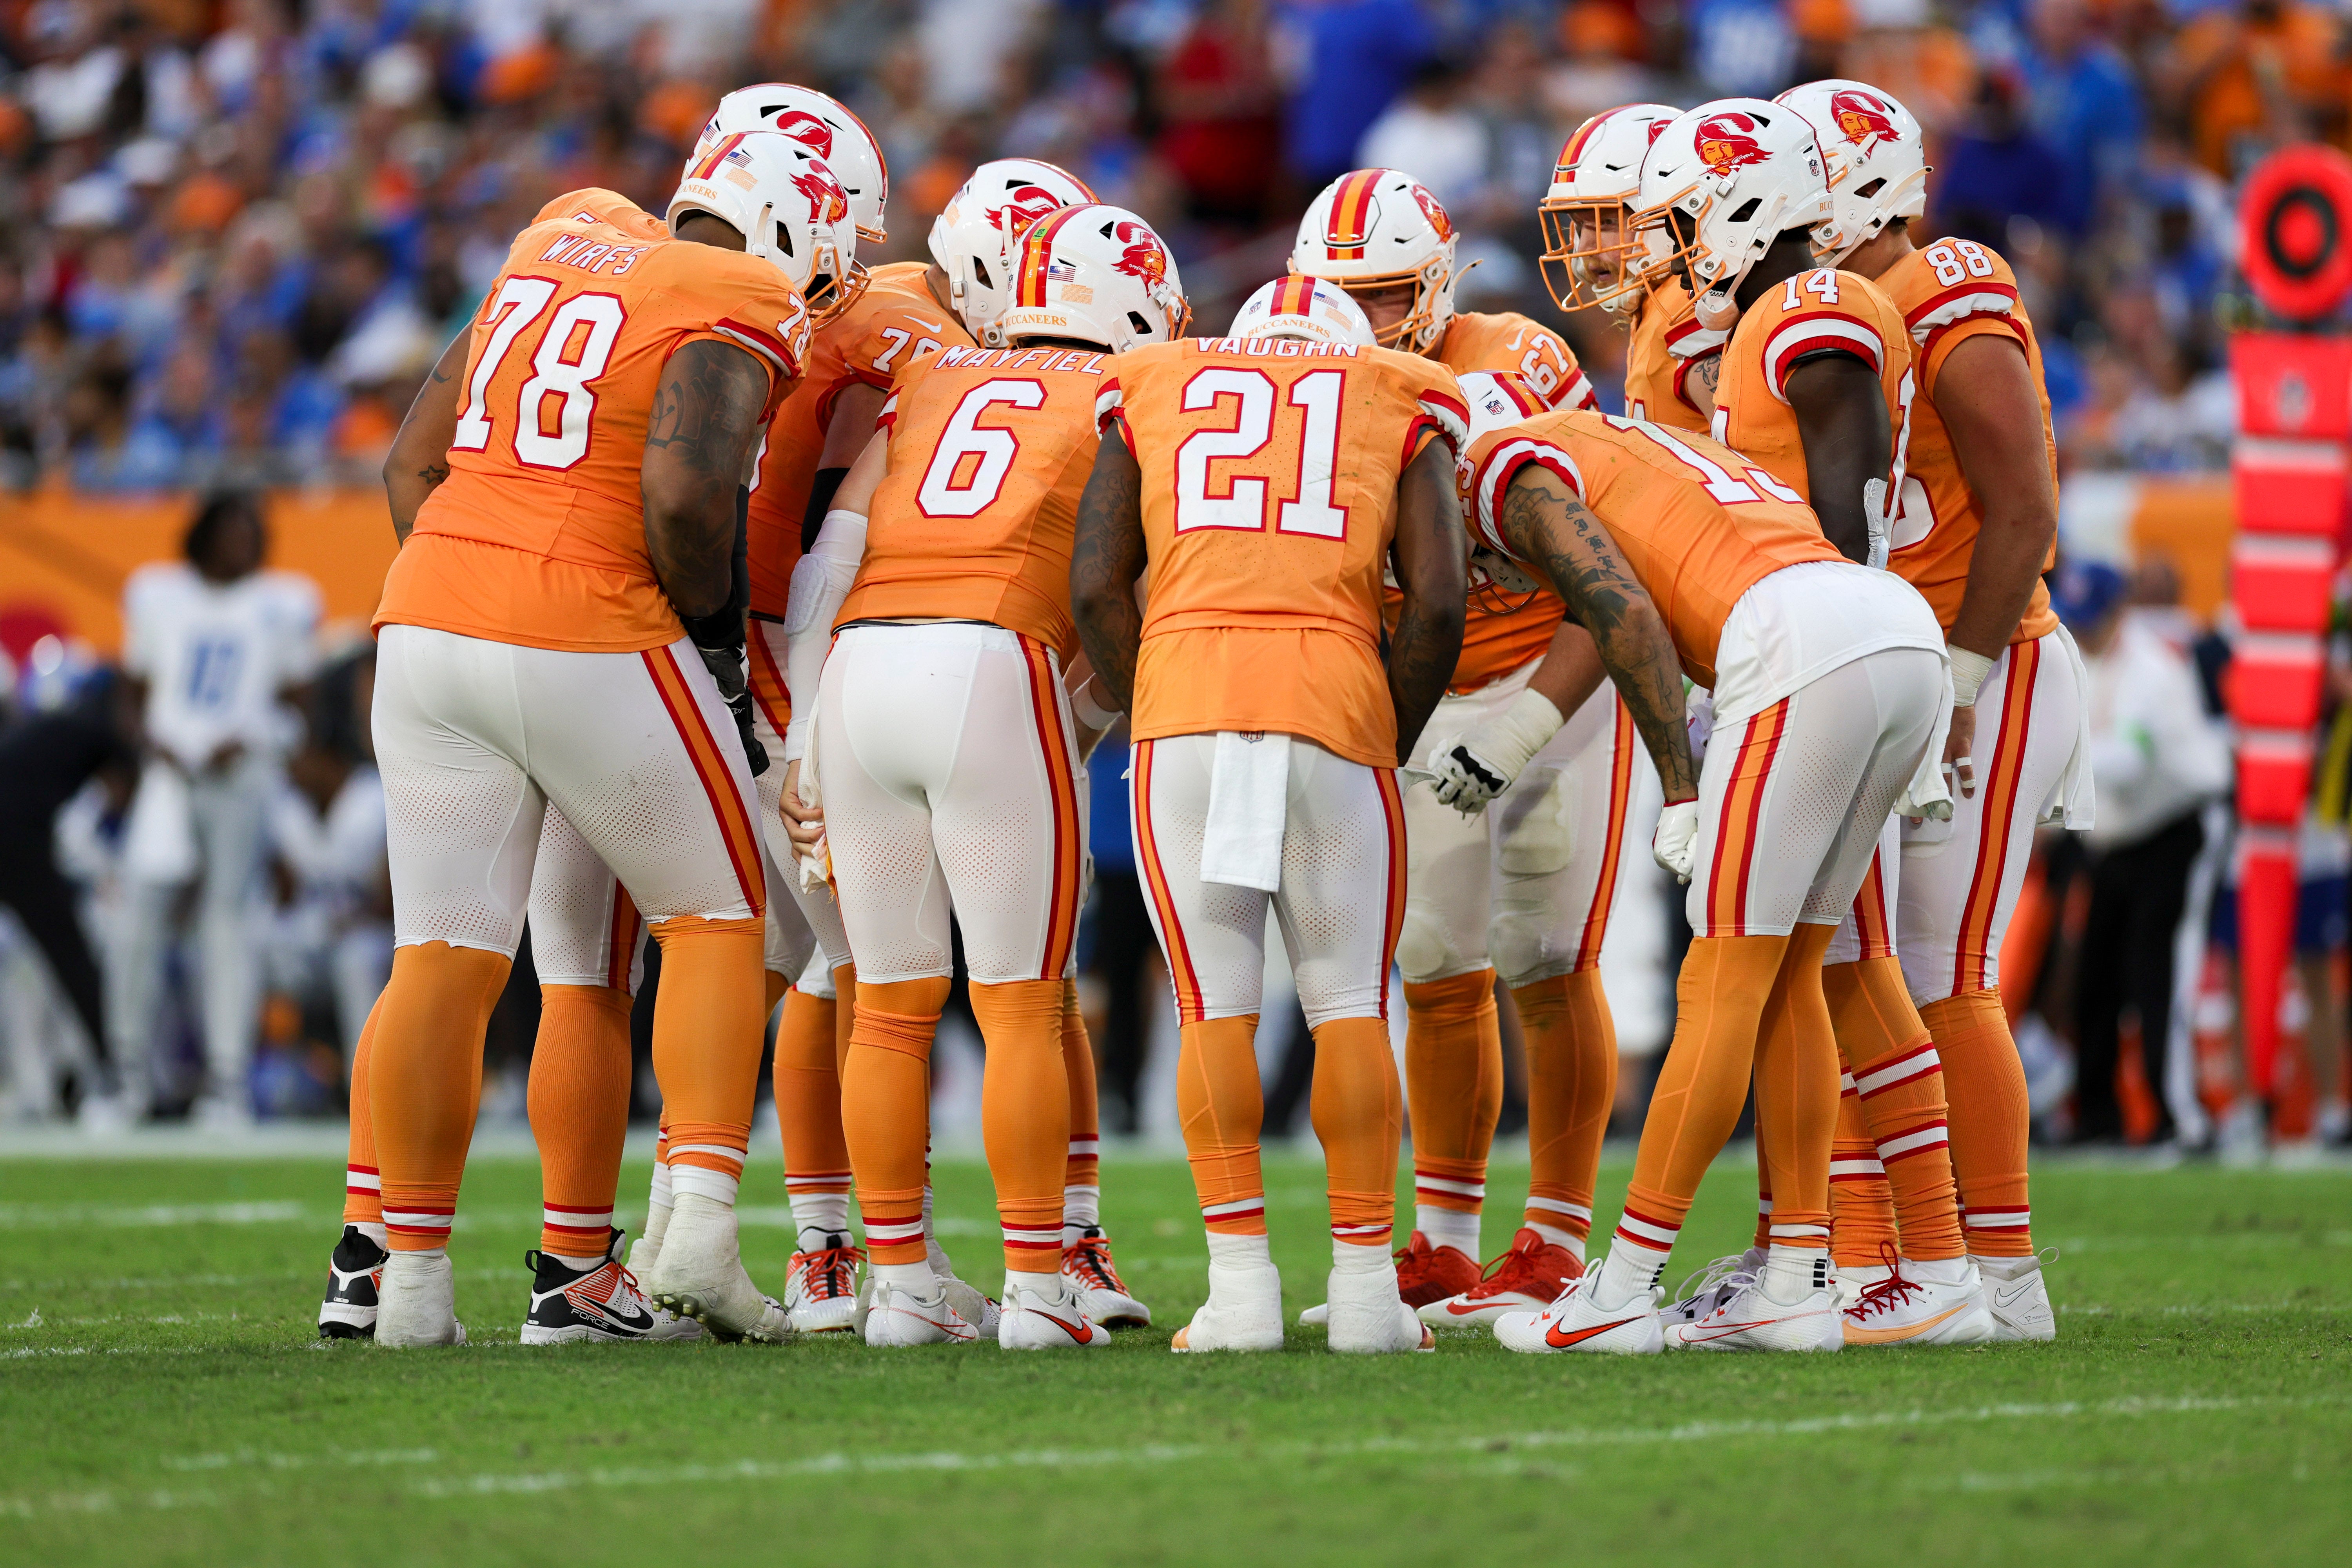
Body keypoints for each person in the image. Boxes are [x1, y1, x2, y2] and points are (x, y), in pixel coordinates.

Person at [357, 134, 853, 1347]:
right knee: (719, 918)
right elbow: (687, 504)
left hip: (424, 609)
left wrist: (479, 584)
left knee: (441, 958)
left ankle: (403, 1285)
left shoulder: (555, 238)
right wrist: (717, 652)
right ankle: (696, 1240)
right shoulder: (739, 290)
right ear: (796, 230)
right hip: (580, 615)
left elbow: (409, 461)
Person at [1460, 405, 1948, 1355]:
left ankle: (1623, 1287)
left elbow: (1625, 611)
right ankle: (1801, 1281)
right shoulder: (1624, 439)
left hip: (1801, 644)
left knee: (1719, 977)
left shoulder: (1498, 465)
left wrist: (1680, 789)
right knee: (1792, 971)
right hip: (1891, 628)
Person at [783, 202, 1185, 1350]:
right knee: (1021, 1002)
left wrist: (805, 724)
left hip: (861, 664)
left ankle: (901, 1284)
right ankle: (1035, 1289)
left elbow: (839, 546)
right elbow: (1124, 587)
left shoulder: (935, 377)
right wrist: (1105, 709)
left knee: (891, 1008)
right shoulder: (1131, 393)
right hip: (991, 659)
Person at [726, 118, 1098, 1332]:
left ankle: (882, 1261)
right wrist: (781, 718)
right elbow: (785, 529)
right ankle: (849, 1242)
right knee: (918, 975)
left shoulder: (940, 360)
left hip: (855, 652)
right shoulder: (906, 333)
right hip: (835, 637)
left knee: (880, 981)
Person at [1071, 299, 1470, 1354]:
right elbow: (1436, 603)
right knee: (1346, 1006)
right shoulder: (1397, 390)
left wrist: (1153, 696)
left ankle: (1241, 1291)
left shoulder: (1156, 378)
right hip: (1332, 697)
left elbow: (1094, 585)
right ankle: (1366, 1297)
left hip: (1188, 703)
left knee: (1214, 1008)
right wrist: (1379, 725)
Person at [1777, 78, 2091, 1341]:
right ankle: (1874, 1259)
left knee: (1939, 971)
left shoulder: (1942, 287)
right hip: (1906, 666)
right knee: (1868, 969)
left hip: (1987, 662)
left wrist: (1959, 681)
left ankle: (2002, 1278)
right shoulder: (1824, 309)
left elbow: (2023, 508)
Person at [1286, 168, 1619, 1322]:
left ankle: (1560, 1236)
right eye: (1342, 295)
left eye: (1384, 295)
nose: (1365, 319)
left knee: (1544, 955)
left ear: (1432, 287)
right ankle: (1441, 1241)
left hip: (1545, 674)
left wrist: (1537, 706)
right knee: (1432, 965)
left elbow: (1601, 557)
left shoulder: (1512, 362)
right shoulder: (1307, 376)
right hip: (1420, 687)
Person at [113, 492, 321, 1127]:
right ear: (203, 534)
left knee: (229, 924)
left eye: (255, 530)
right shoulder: (158, 593)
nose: (249, 542)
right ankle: (128, 1077)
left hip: (241, 777)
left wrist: (257, 736)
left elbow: (300, 707)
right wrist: (151, 741)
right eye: (236, 529)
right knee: (136, 925)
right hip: (169, 776)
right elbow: (131, 689)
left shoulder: (284, 602)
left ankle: (228, 1081)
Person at [2068, 560, 2229, 1145]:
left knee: (2160, 974)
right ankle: (2096, 1117)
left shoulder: (2152, 670)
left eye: (2092, 619)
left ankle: (2179, 1116)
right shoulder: (2085, 662)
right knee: (2097, 980)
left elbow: (2130, 764)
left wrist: (2054, 764)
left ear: (2119, 612)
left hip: (2173, 831)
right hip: (2115, 840)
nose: (2083, 632)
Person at [1538, 103, 1727, 436]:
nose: (1584, 248)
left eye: (1607, 222)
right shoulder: (1658, 305)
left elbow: (1757, 461)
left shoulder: (1691, 309)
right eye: (1580, 226)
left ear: (1671, 211)